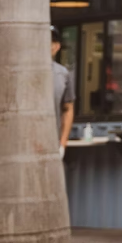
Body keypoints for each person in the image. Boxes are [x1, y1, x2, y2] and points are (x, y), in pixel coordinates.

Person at [51, 26, 75, 154]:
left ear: (57, 47)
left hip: (52, 142)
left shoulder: (62, 74)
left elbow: (68, 108)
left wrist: (63, 143)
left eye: (51, 41)